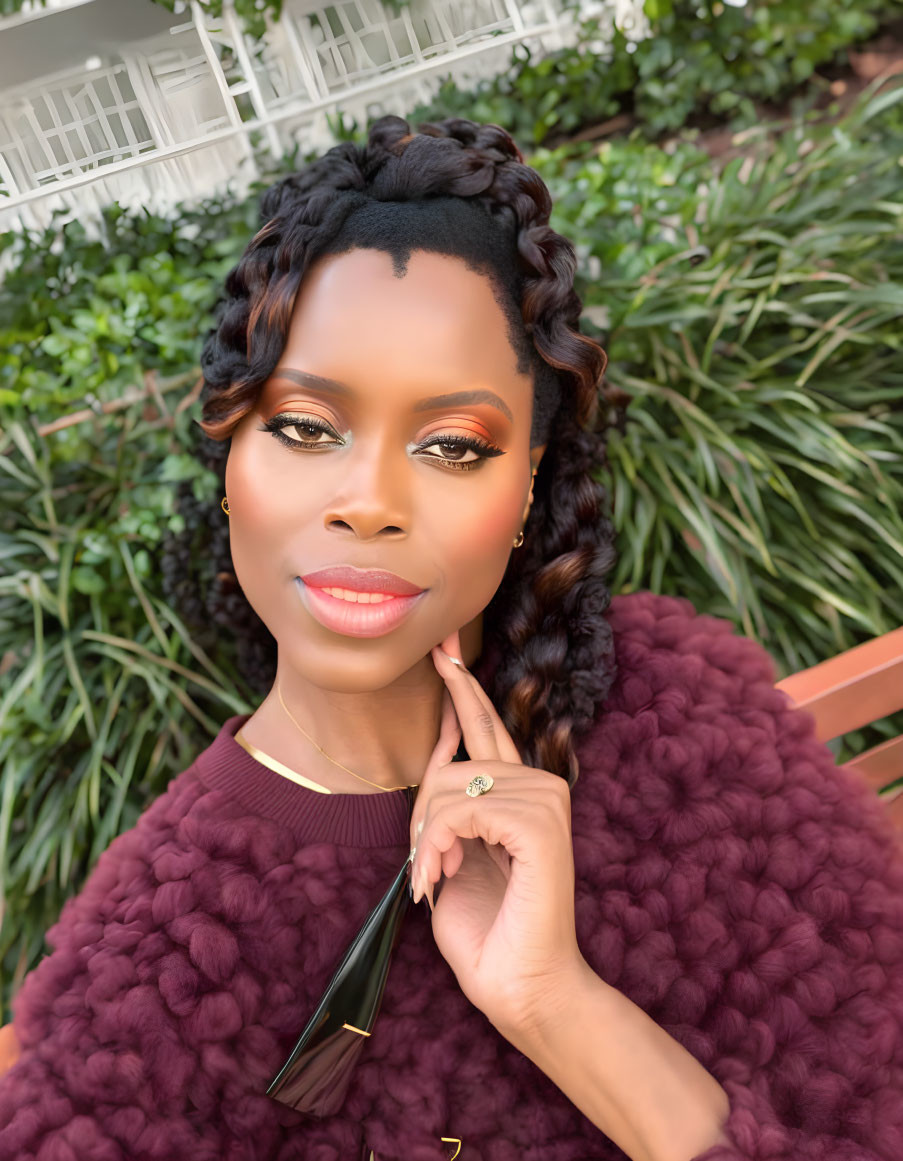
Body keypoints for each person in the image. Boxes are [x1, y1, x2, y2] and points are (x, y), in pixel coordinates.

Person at [1, 114, 901, 1161]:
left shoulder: (687, 734)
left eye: (453, 446)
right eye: (302, 426)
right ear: (229, 453)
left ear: (531, 484)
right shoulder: (155, 964)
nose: (369, 501)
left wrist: (556, 1004)